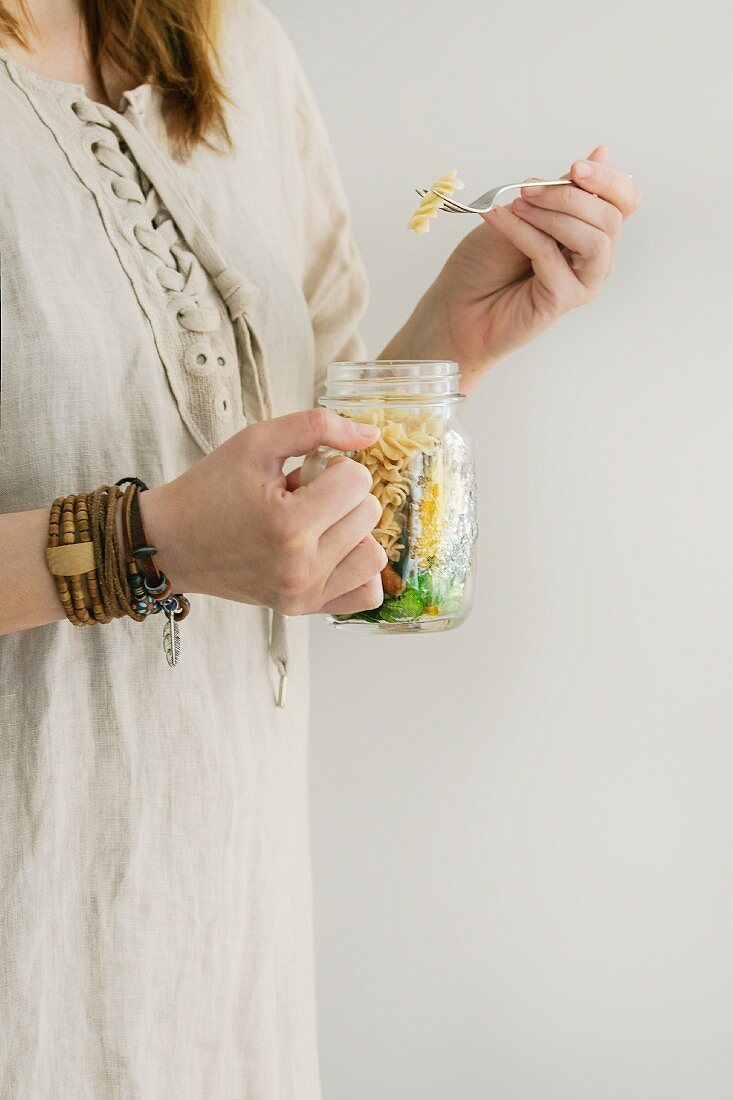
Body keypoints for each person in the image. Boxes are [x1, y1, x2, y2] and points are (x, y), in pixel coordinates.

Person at [0, 0, 642, 1095]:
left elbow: (297, 477)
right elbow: (192, 532)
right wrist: (143, 543)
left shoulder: (229, 40)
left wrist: (451, 339)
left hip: (218, 942)